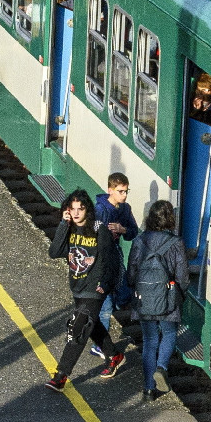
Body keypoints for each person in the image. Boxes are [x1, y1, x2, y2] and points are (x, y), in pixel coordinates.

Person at [47, 190, 127, 390]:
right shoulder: (69, 228)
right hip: (78, 287)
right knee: (93, 325)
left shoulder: (99, 229)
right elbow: (54, 252)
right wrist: (63, 224)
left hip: (95, 288)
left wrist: (104, 285)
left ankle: (61, 375)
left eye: (80, 209)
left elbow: (110, 260)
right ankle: (114, 355)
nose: (75, 213)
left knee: (79, 327)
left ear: (87, 210)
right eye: (72, 209)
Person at [129, 199, 189, 401]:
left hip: (144, 297)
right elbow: (182, 276)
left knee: (149, 341)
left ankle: (147, 390)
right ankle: (161, 367)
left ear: (149, 219)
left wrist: (137, 289)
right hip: (168, 296)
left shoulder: (139, 241)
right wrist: (179, 295)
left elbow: (131, 273)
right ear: (170, 219)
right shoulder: (176, 243)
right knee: (170, 334)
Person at [94, 171, 137, 334]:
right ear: (110, 190)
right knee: (106, 302)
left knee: (122, 294)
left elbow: (133, 232)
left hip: (116, 255)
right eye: (121, 191)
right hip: (103, 257)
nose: (124, 195)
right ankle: (100, 343)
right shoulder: (101, 209)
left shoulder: (125, 209)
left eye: (126, 191)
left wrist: (123, 229)